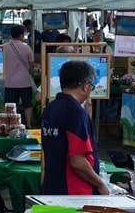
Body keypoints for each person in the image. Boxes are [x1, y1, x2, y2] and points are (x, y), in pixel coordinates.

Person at [40, 58, 108, 196]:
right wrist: (101, 184)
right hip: (75, 192)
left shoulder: (50, 108)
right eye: (91, 87)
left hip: (52, 186)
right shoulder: (77, 113)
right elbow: (77, 161)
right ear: (85, 85)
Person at [3, 24, 36, 124]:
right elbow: (31, 65)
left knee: (10, 106)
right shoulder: (27, 48)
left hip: (9, 82)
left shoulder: (4, 48)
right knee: (27, 104)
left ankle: (11, 124)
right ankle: (29, 125)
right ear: (21, 35)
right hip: (25, 82)